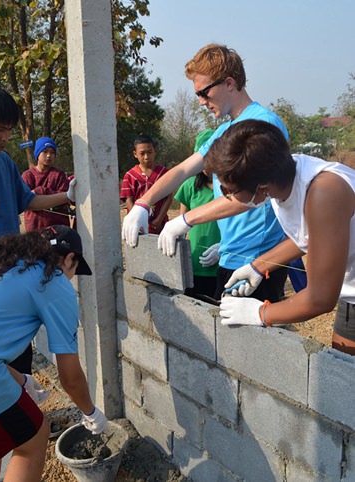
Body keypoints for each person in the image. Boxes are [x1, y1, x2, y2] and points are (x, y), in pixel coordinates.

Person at [122, 44, 288, 302]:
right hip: (233, 255)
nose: (201, 101)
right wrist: (144, 203)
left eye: (204, 92)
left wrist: (186, 220)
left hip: (258, 259)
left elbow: (251, 196)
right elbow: (183, 170)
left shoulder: (263, 125)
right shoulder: (224, 132)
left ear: (229, 83)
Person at [205, 119, 355, 355]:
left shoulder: (324, 193)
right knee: (345, 370)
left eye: (230, 191)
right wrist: (258, 266)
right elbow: (309, 237)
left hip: (345, 285)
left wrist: (260, 313)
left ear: (261, 186)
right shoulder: (281, 182)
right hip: (350, 287)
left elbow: (321, 298)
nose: (227, 197)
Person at [0, 226, 107, 481]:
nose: (70, 277)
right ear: (69, 258)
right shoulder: (53, 282)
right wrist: (91, 412)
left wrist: (22, 380)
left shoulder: (4, 268)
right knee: (34, 438)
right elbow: (70, 378)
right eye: (74, 270)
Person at [0, 87, 76, 373]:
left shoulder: (5, 162)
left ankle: (26, 408)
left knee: (17, 351)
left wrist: (67, 196)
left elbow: (28, 200)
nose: (5, 138)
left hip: (9, 271)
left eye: (8, 130)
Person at [175, 129, 220, 299]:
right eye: (202, 161)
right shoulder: (190, 186)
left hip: (222, 261)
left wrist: (224, 248)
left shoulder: (231, 187)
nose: (206, 166)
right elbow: (181, 224)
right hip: (194, 260)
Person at [120, 134, 173, 234]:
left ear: (155, 151)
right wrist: (135, 219)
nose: (146, 157)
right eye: (142, 153)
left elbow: (168, 198)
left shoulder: (164, 173)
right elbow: (128, 200)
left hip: (159, 225)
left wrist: (159, 219)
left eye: (149, 152)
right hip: (136, 227)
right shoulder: (130, 176)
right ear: (135, 154)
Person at [22, 137, 72, 232]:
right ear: (37, 154)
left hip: (58, 228)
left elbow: (65, 198)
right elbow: (25, 201)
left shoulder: (59, 175)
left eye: (52, 152)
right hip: (35, 228)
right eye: (45, 152)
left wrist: (40, 191)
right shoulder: (27, 176)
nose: (49, 155)